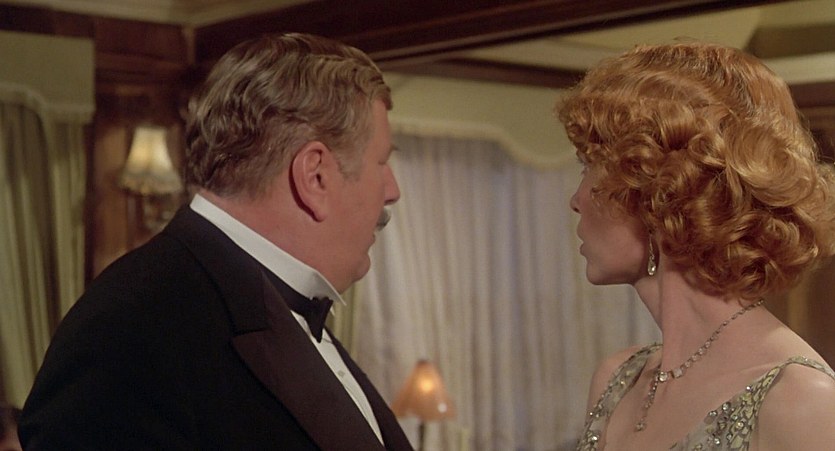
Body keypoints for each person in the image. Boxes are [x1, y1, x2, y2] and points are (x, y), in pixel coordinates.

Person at [19, 33, 412, 450]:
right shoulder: (130, 330)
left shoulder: (263, 306)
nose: (392, 190)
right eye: (381, 162)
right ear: (315, 176)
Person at [558, 42, 835, 450]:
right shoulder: (617, 380)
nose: (576, 200)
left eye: (589, 168)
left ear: (660, 191)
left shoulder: (800, 400)